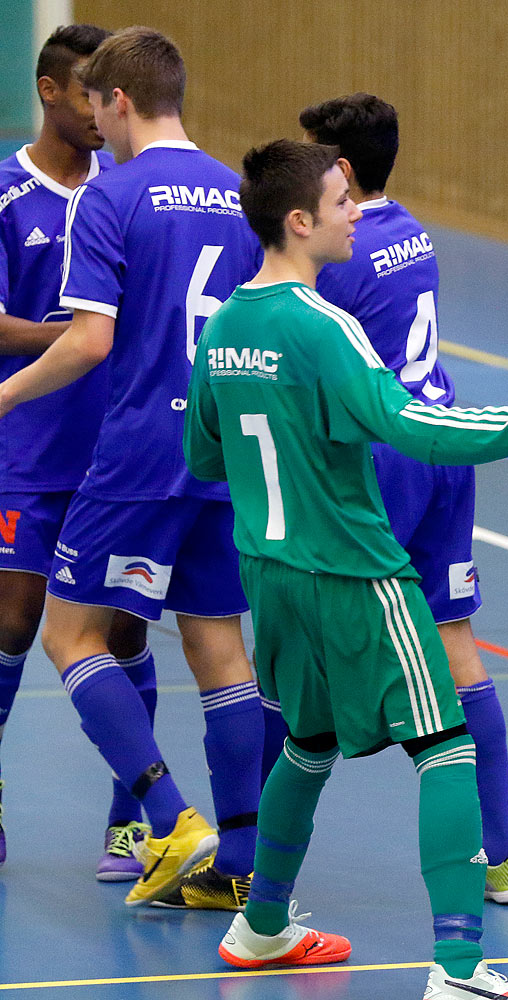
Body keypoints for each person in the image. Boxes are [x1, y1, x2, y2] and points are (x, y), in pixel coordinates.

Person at [187, 139, 508, 999]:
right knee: (445, 748)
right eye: (342, 201)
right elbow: (417, 429)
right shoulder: (324, 326)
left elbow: (204, 455)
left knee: (308, 745)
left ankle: (262, 924)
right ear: (301, 221)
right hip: (355, 574)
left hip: (269, 577)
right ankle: (459, 969)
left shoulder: (226, 325)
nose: (358, 212)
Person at [0, 26, 264, 910]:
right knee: (220, 650)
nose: (98, 127)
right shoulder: (240, 193)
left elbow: (90, 340)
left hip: (139, 452)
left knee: (69, 636)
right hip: (225, 453)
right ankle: (241, 860)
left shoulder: (108, 195)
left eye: (100, 108)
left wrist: (1, 400)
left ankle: (167, 814)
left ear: (116, 101)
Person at [298, 93, 508, 905]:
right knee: (456, 640)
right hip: (443, 443)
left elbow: (318, 365)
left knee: (307, 651)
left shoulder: (342, 253)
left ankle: (256, 852)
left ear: (345, 171)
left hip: (386, 456)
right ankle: (503, 857)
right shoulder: (411, 231)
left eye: (313, 159)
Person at [0, 23, 161, 882]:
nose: (104, 113)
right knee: (14, 626)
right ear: (51, 91)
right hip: (27, 452)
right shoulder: (3, 195)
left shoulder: (131, 192)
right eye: (85, 93)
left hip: (120, 455)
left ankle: (130, 821)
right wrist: (70, 335)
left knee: (125, 630)